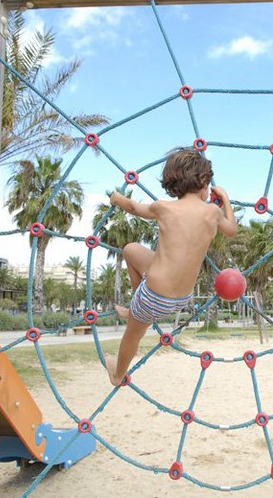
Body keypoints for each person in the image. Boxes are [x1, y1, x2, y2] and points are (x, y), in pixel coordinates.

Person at [105, 148, 238, 385]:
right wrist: (226, 198)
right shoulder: (213, 212)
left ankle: (117, 374)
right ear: (203, 181)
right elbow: (231, 230)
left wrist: (117, 199)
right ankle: (134, 307)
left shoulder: (163, 208)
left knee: (133, 335)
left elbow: (134, 208)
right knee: (131, 250)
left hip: (154, 295)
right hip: (180, 298)